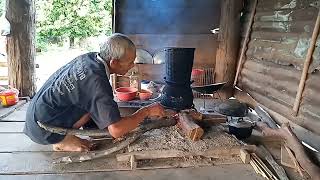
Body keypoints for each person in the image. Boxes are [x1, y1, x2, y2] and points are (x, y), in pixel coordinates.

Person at [24, 33, 166, 152]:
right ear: (114, 63)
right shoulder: (97, 82)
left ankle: (85, 130)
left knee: (95, 102)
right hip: (44, 129)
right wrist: (146, 111)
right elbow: (116, 130)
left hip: (35, 115)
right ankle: (61, 140)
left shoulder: (90, 58)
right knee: (110, 117)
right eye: (129, 62)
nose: (132, 66)